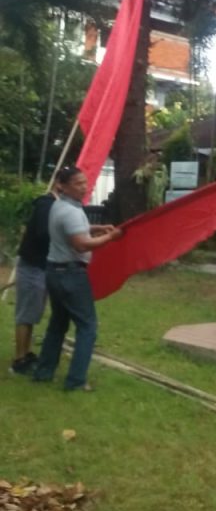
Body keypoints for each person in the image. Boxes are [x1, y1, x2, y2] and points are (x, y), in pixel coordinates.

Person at [33, 166, 122, 392]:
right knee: (87, 327)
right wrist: (111, 237)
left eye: (84, 182)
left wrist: (97, 227)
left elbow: (74, 229)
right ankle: (76, 381)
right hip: (71, 274)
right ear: (62, 186)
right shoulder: (70, 212)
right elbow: (81, 244)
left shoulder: (60, 205)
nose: (83, 187)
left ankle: (43, 372)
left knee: (58, 325)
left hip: (54, 271)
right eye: (77, 183)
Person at [9, 187, 58, 375]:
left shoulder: (55, 205)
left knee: (32, 313)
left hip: (41, 266)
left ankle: (26, 353)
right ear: (60, 185)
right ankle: (19, 359)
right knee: (26, 314)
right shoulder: (46, 204)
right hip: (32, 265)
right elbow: (44, 233)